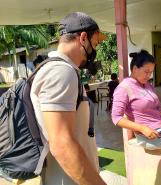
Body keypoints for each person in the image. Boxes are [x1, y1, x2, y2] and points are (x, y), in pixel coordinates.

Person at [30, 12, 107, 185]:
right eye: (95, 43)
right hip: (68, 179)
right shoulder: (61, 72)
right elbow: (62, 144)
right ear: (83, 38)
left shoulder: (58, 69)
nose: (95, 50)